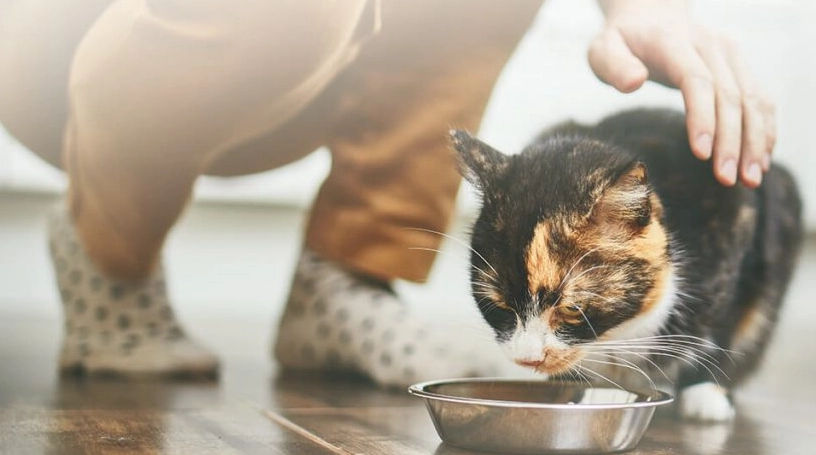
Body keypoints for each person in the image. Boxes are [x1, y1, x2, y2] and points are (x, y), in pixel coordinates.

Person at [0, 0, 775, 385]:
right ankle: (110, 255)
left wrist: (636, 9)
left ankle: (343, 277)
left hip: (318, 64)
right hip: (80, 48)